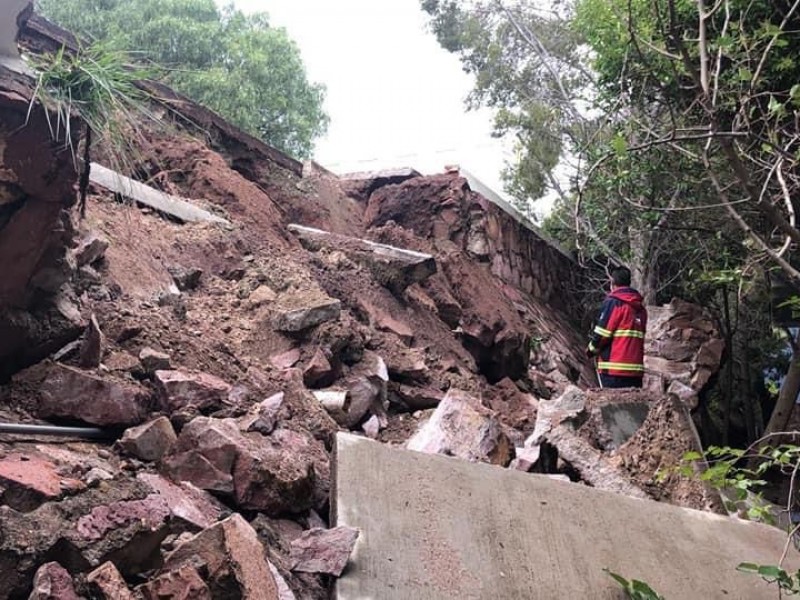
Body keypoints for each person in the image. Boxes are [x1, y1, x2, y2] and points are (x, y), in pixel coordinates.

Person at [586, 266, 647, 388]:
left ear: (612, 282)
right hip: (635, 372)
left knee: (613, 406)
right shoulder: (640, 308)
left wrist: (591, 350)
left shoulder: (614, 303)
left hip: (614, 371)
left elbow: (602, 333)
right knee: (634, 405)